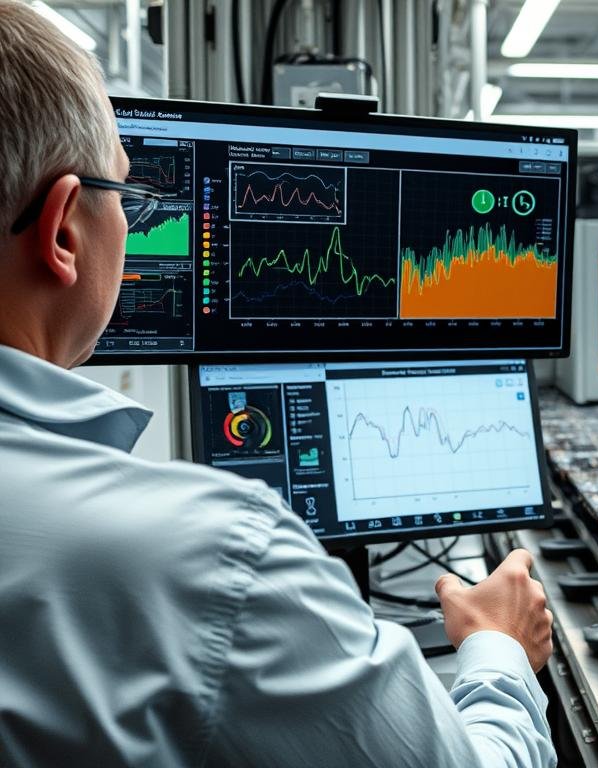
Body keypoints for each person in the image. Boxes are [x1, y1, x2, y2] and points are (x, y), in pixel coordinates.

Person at [0, 3, 556, 766]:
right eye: (128, 196)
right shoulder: (209, 559)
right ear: (64, 230)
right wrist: (496, 650)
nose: (132, 223)